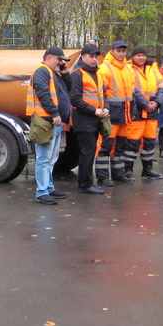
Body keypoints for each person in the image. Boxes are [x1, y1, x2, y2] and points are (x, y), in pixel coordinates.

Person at [26, 46, 72, 204]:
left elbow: (68, 90)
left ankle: (48, 188)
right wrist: (54, 113)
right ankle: (42, 192)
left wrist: (65, 74)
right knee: (44, 159)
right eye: (59, 60)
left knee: (51, 159)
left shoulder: (53, 73)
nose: (61, 63)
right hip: (46, 122)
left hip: (54, 123)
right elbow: (43, 94)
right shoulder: (42, 71)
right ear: (49, 58)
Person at [70, 45, 110, 194]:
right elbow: (75, 99)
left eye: (95, 57)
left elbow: (102, 94)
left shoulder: (97, 73)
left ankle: (85, 183)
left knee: (89, 151)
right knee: (88, 151)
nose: (94, 59)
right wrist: (94, 110)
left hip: (95, 118)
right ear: (83, 57)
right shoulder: (77, 74)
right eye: (91, 56)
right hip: (84, 119)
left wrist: (105, 108)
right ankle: (86, 184)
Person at [95, 41, 136, 186]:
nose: (121, 53)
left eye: (123, 51)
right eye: (118, 51)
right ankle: (102, 177)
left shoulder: (128, 69)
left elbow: (132, 93)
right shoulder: (105, 68)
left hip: (125, 115)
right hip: (111, 115)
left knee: (120, 147)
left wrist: (133, 111)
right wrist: (104, 110)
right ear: (112, 51)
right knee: (105, 146)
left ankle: (118, 174)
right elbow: (101, 93)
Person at [126, 47, 163, 180]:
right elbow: (131, 89)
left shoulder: (153, 68)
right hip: (136, 110)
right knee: (132, 141)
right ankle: (128, 170)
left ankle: (147, 170)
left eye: (143, 55)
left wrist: (156, 102)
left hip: (151, 112)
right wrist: (145, 104)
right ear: (133, 57)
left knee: (150, 141)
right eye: (138, 55)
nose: (141, 58)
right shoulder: (128, 68)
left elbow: (162, 87)